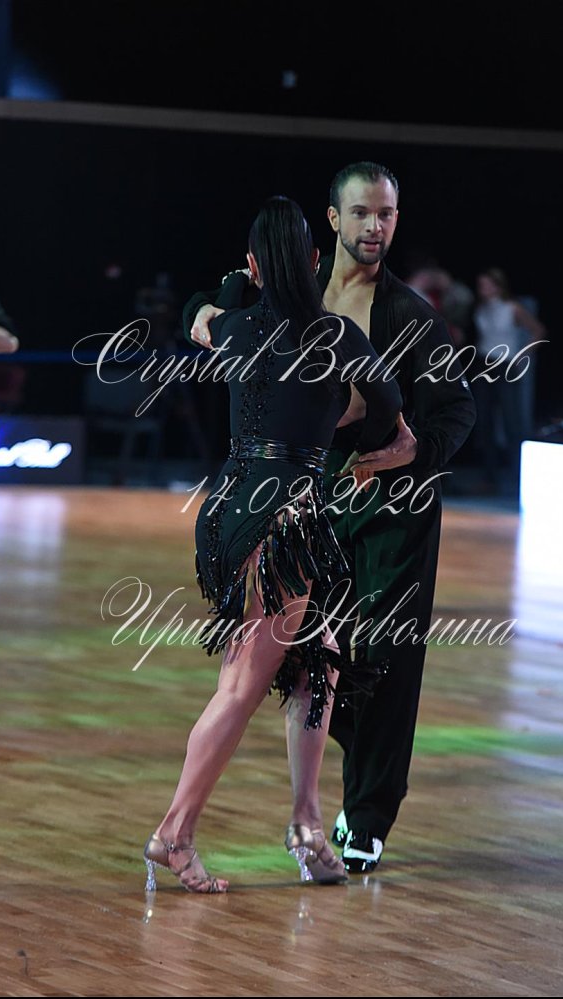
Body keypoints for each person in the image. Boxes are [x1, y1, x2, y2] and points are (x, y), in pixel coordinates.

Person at [185, 162, 477, 873]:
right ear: (333, 221)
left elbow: (456, 407)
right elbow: (223, 302)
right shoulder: (299, 290)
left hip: (394, 516)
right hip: (312, 510)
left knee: (385, 660)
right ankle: (305, 818)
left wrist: (414, 451)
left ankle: (366, 816)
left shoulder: (409, 315)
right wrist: (209, 301)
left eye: (387, 214)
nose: (376, 226)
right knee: (320, 665)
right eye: (363, 213)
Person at [144, 196, 402, 892]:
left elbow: (198, 313)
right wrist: (347, 429)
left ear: (256, 266)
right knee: (241, 684)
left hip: (229, 509)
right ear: (316, 260)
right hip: (284, 519)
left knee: (318, 663)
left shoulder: (231, 326)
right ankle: (174, 833)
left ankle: (306, 824)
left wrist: (234, 287)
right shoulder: (337, 336)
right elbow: (389, 415)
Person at [471, 268, 547, 500]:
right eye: (480, 284)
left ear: (497, 285)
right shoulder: (482, 308)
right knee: (484, 422)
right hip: (484, 363)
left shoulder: (512, 307)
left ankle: (518, 477)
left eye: (486, 284)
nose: (482, 289)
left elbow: (538, 330)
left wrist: (522, 356)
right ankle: (489, 477)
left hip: (505, 364)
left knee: (511, 422)